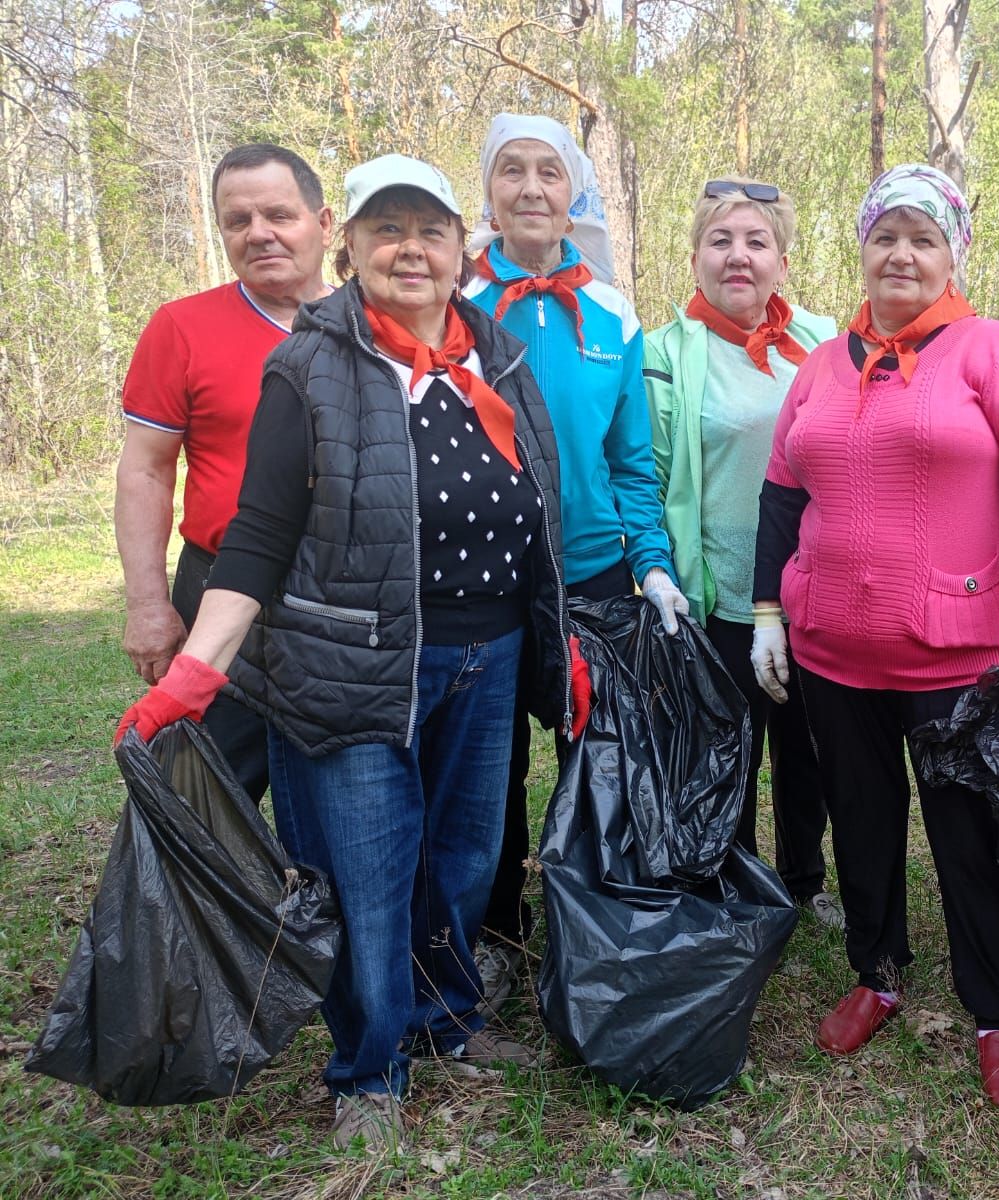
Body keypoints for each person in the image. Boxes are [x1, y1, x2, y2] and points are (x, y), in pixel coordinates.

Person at [114, 154, 580, 1151]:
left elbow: (536, 507)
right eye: (386, 230)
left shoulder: (496, 354)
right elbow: (260, 533)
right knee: (367, 873)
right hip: (349, 663)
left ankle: (446, 1021)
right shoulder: (312, 364)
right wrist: (197, 666)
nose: (410, 249)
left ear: (465, 249)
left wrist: (557, 638)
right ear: (352, 246)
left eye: (430, 230)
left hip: (485, 656)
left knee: (461, 859)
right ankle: (368, 1070)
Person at [751, 164, 999, 1106]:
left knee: (968, 838)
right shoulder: (821, 360)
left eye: (923, 238)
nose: (902, 254)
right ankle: (878, 974)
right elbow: (780, 495)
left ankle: (996, 1012)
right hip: (834, 653)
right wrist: (770, 611)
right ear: (862, 248)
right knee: (863, 821)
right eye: (886, 235)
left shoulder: (988, 353)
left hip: (953, 654)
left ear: (953, 255)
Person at [463, 113, 687, 1011]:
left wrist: (654, 563)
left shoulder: (614, 312)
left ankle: (587, 921)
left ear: (573, 190)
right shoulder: (455, 299)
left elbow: (631, 460)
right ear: (489, 191)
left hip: (592, 577)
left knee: (590, 751)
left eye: (547, 173)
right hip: (483, 578)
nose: (529, 190)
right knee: (490, 762)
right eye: (511, 172)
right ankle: (493, 928)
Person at [644, 177, 842, 927]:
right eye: (721, 240)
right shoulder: (663, 352)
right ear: (695, 256)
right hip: (718, 591)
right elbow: (652, 473)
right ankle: (730, 875)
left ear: (782, 263)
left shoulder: (825, 344)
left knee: (809, 749)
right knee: (726, 747)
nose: (739, 257)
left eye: (757, 242)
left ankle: (804, 877)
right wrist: (657, 570)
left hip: (814, 591)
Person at [115, 143, 333, 802]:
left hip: (342, 600)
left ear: (322, 224)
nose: (258, 233)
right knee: (203, 790)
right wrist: (148, 604)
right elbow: (145, 471)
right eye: (237, 220)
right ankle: (196, 908)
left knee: (339, 789)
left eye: (278, 214)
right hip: (219, 589)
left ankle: (328, 905)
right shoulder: (182, 327)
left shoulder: (375, 326)